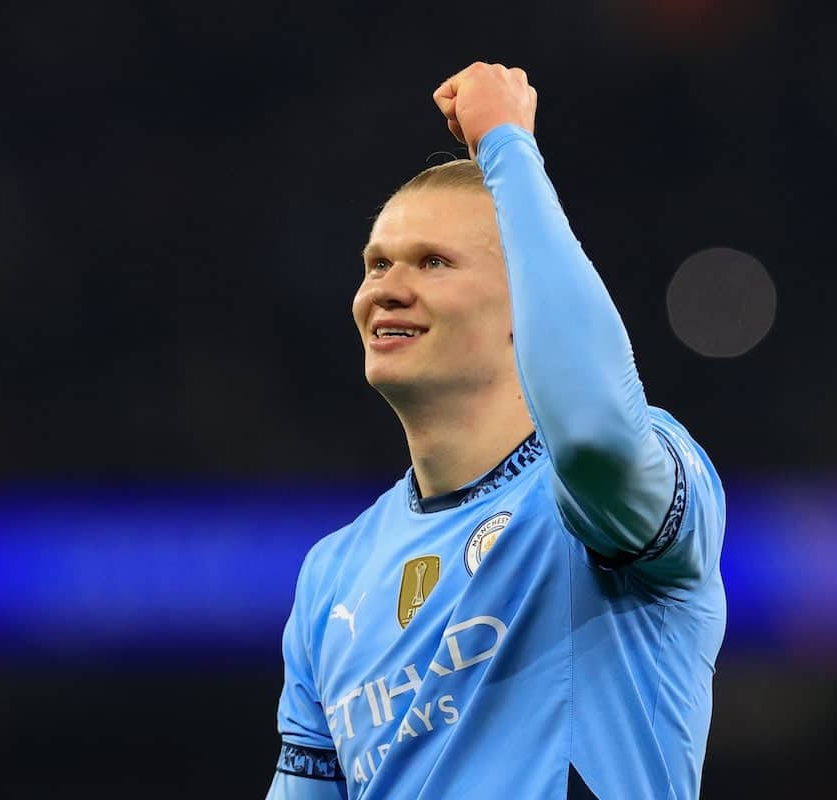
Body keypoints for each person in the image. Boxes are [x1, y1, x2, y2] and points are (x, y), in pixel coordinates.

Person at [266, 62, 726, 800]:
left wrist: (508, 143)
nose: (387, 288)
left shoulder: (604, 494)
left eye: (432, 262)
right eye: (376, 264)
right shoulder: (333, 573)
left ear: (525, 304)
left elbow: (593, 435)